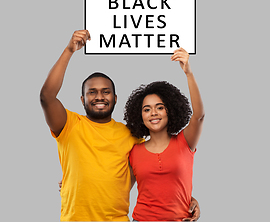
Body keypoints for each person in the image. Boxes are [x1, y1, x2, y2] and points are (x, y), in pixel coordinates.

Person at [40, 30, 201, 221]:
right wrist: (69, 50)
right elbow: (47, 97)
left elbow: (155, 176)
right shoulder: (68, 125)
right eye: (92, 92)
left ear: (115, 99)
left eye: (106, 91)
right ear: (82, 99)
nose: (99, 96)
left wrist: (187, 200)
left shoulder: (131, 136)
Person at [124, 48, 205, 221]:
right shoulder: (134, 151)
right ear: (140, 116)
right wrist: (76, 182)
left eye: (159, 107)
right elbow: (118, 188)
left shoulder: (185, 141)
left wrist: (188, 73)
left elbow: (199, 116)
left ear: (170, 110)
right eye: (147, 109)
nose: (153, 113)